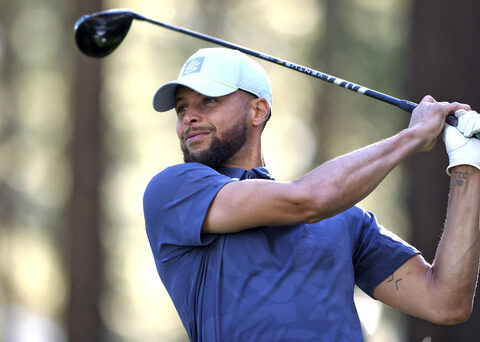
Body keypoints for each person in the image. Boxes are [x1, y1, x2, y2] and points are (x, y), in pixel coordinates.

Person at [143, 47, 480, 341]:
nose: (189, 117)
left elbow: (445, 301)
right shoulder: (175, 191)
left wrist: (469, 163)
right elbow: (307, 200)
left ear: (258, 111)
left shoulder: (345, 219)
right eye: (181, 108)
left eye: (209, 100)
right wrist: (413, 137)